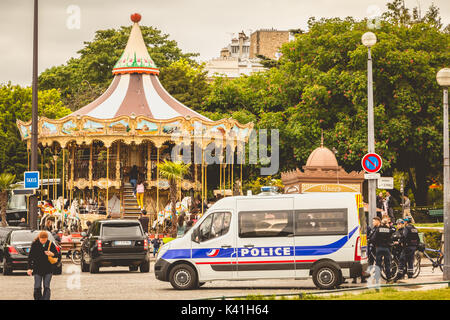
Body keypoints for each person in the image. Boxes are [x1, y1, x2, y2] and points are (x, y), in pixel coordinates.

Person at [27, 231, 61, 300]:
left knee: (46, 286)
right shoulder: (35, 244)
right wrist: (29, 268)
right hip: (37, 269)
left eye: (45, 240)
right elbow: (30, 257)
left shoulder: (50, 244)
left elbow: (58, 256)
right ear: (39, 238)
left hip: (48, 269)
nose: (43, 242)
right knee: (37, 286)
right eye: (42, 240)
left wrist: (52, 254)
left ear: (47, 238)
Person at [395, 216, 420, 281]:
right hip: (413, 246)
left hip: (407, 246)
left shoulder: (406, 228)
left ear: (406, 222)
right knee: (410, 261)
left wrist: (399, 242)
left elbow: (404, 236)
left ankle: (399, 274)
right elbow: (418, 238)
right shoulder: (414, 228)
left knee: (401, 259)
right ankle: (410, 274)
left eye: (404, 221)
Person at [370, 216, 394, 283]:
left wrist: (375, 245)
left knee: (378, 264)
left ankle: (377, 279)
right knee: (387, 264)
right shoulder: (388, 230)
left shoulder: (378, 229)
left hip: (379, 248)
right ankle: (389, 278)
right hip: (386, 249)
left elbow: (373, 239)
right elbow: (391, 239)